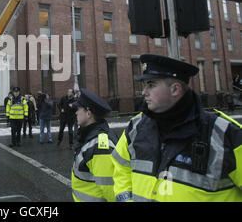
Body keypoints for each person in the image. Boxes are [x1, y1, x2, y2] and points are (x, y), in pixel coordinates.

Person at [111, 54, 242, 202]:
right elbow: (121, 168)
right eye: (144, 85)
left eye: (151, 85)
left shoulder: (224, 134)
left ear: (175, 89)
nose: (144, 92)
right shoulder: (136, 127)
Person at [71, 88, 118, 202]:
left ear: (88, 113)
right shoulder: (90, 137)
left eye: (78, 109)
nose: (76, 112)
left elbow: (110, 191)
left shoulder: (100, 146)